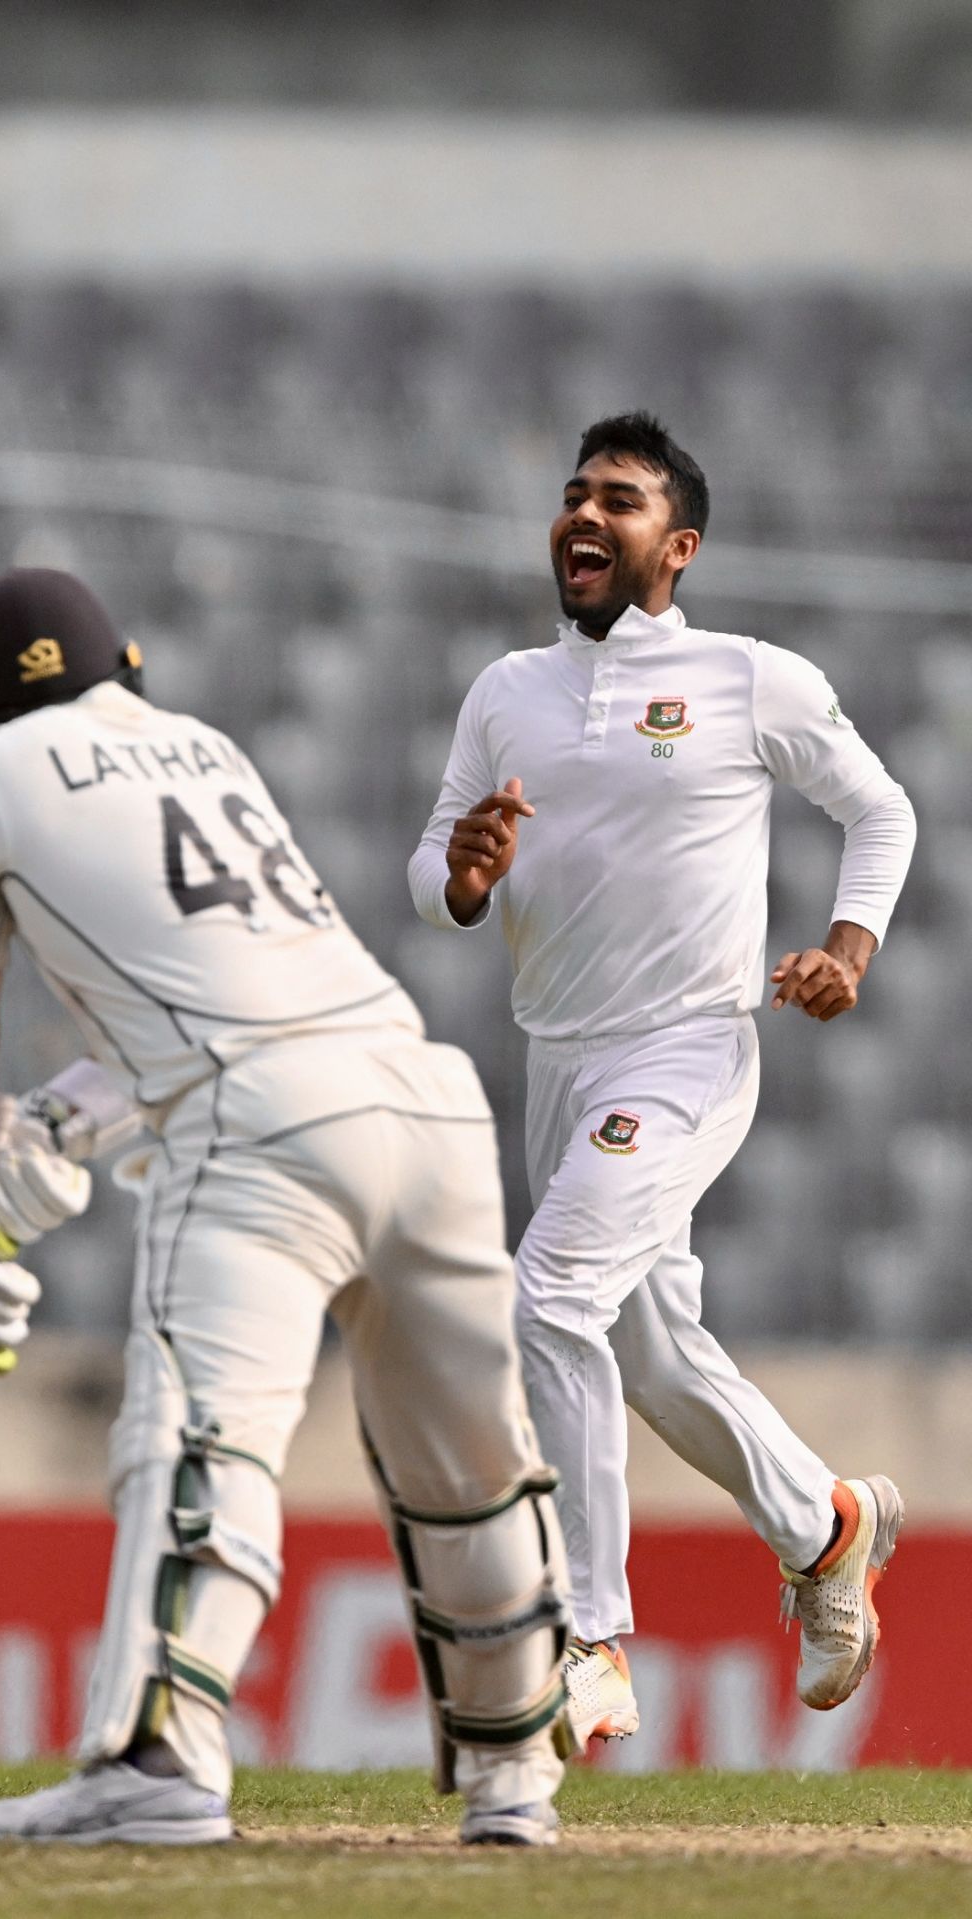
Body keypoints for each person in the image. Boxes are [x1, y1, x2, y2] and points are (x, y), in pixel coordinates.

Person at [0, 566, 573, 1848]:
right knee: (471, 1465)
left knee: (200, 1440)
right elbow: (241, 991)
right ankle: (512, 1784)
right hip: (419, 1096)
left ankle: (158, 1757)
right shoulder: (199, 746)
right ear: (127, 668)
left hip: (257, 1129)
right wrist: (67, 1120)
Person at [408, 412, 916, 1751]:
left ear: (676, 545)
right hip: (558, 1056)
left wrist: (847, 947)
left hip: (688, 1045)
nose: (585, 514)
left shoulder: (748, 676)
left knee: (553, 1290)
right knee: (642, 1346)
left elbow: (881, 809)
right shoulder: (505, 688)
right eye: (574, 493)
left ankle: (591, 1633)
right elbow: (433, 861)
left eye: (619, 500)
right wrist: (458, 877)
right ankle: (829, 1523)